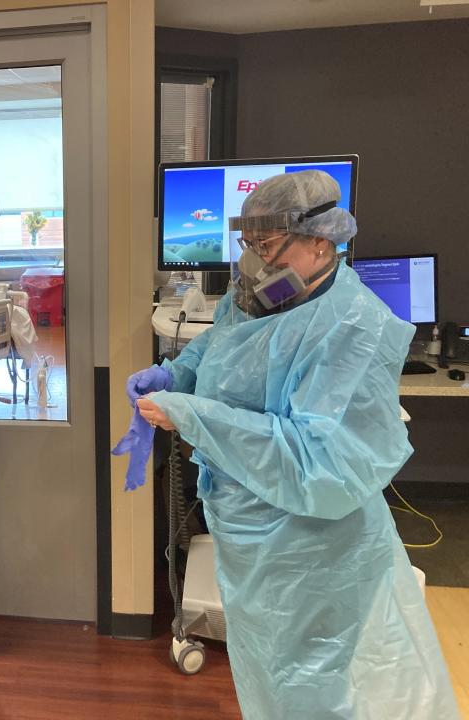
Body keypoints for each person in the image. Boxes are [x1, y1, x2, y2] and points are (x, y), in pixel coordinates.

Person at [129, 170, 459, 719]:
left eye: (266, 246)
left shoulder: (355, 328)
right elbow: (221, 346)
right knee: (267, 676)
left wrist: (193, 415)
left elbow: (319, 468)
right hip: (251, 534)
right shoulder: (262, 297)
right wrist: (176, 377)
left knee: (317, 685)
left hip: (316, 550)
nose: (253, 262)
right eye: (249, 244)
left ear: (321, 242)